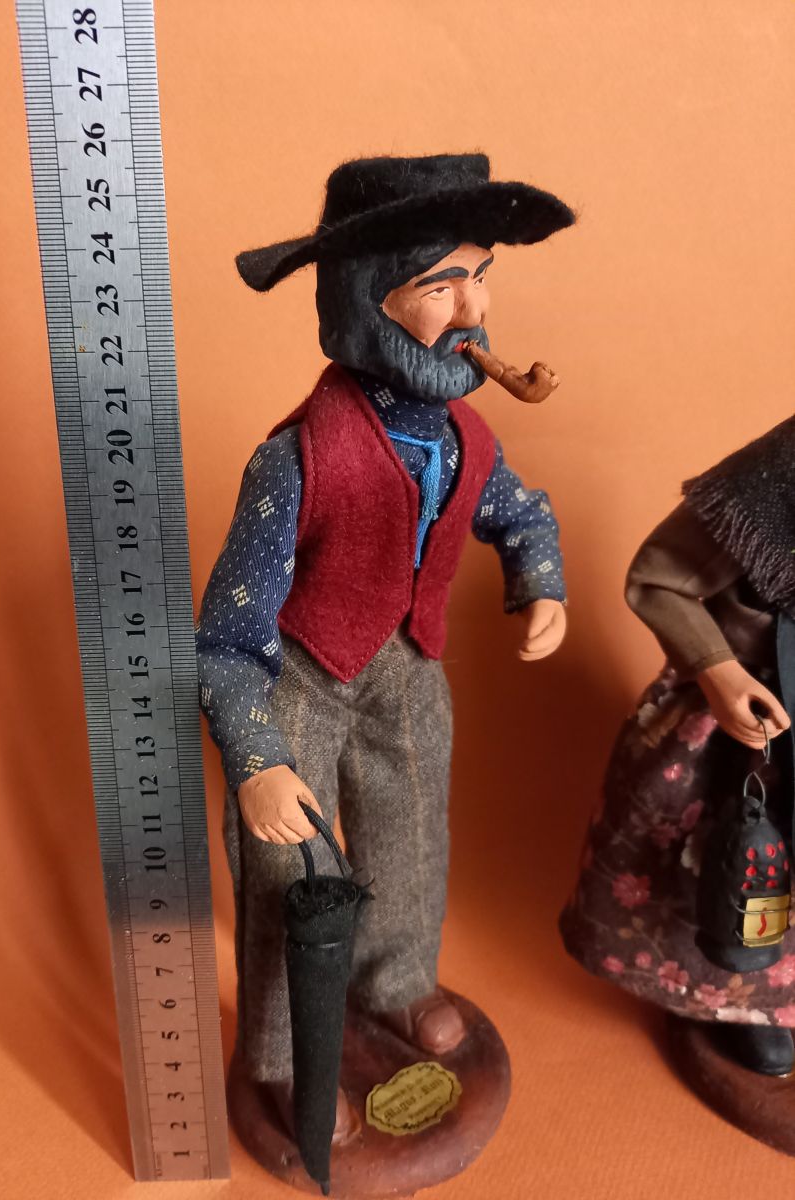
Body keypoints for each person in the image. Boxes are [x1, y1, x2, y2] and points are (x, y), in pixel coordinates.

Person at [197, 154, 574, 1136]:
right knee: (294, 878)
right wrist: (258, 760)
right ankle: (282, 1053)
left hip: (409, 668)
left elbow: (521, 512)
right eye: (441, 285)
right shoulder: (298, 458)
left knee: (411, 842)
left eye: (481, 277)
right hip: (301, 677)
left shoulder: (469, 441)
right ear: (371, 299)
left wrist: (540, 582)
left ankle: (397, 982)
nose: (474, 310)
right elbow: (228, 639)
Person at [561, 415, 795, 1082]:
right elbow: (658, 576)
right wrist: (718, 673)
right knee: (727, 874)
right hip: (753, 729)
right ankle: (736, 1003)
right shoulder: (780, 478)